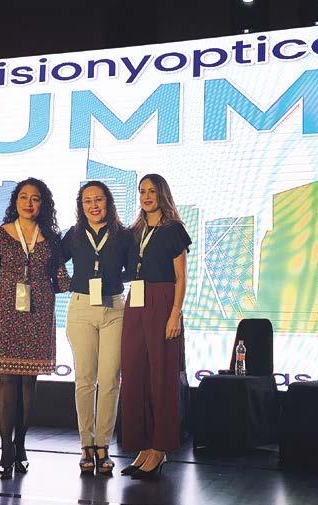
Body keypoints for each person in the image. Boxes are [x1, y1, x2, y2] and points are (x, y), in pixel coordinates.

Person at [0, 178, 70, 479]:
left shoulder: (51, 239)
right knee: (5, 381)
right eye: (23, 197)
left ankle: (21, 445)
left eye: (35, 198)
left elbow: (62, 282)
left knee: (29, 383)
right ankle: (6, 449)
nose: (29, 203)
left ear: (43, 204)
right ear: (15, 201)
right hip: (4, 316)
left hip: (39, 316)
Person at [119, 174, 191, 480]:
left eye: (152, 191)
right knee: (134, 373)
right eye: (142, 191)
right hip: (135, 299)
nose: (146, 196)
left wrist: (175, 314)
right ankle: (144, 446)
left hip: (163, 300)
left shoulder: (174, 229)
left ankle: (160, 448)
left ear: (162, 194)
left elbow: (181, 276)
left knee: (161, 376)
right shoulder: (134, 231)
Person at [61, 181, 135, 474]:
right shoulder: (74, 234)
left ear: (108, 202)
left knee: (110, 379)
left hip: (114, 308)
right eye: (87, 201)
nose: (93, 205)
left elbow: (134, 270)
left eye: (99, 199)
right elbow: (54, 262)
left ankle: (103, 444)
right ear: (81, 206)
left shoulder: (124, 235)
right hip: (81, 308)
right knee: (85, 380)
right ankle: (86, 445)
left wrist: (112, 279)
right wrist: (70, 282)